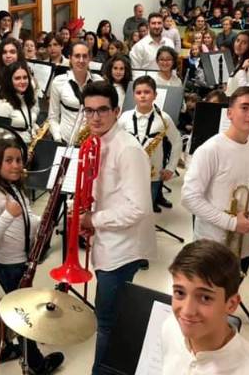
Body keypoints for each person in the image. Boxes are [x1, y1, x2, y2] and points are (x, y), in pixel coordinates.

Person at [77, 81, 154, 374]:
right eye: (89, 111)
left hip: (121, 250)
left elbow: (138, 208)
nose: (95, 117)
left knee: (107, 322)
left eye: (102, 110)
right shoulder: (99, 142)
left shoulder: (128, 150)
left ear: (117, 111)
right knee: (110, 318)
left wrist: (93, 220)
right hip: (107, 241)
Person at [0, 137, 65, 374]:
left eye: (18, 159)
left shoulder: (15, 187)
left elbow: (27, 218)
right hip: (9, 265)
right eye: (9, 161)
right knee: (23, 314)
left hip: (22, 260)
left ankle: (10, 346)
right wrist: (7, 215)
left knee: (16, 309)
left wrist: (45, 224)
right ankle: (35, 364)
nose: (16, 165)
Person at [182, 86, 249, 273]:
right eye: (245, 107)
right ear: (230, 113)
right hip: (211, 244)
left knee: (232, 291)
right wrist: (232, 223)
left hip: (245, 243)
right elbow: (189, 198)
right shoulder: (210, 150)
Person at [161, 240, 249, 375]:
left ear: (231, 304)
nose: (187, 311)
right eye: (180, 293)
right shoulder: (170, 328)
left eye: (205, 298)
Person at [119, 75, 181, 213]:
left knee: (145, 211)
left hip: (153, 174)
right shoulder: (125, 117)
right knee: (127, 209)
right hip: (128, 172)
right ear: (133, 95)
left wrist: (171, 168)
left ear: (155, 95)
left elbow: (177, 142)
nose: (142, 96)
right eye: (138, 92)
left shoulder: (164, 118)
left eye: (147, 92)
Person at [48, 41, 103, 143]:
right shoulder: (58, 82)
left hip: (93, 144)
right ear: (70, 58)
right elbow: (53, 117)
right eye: (77, 56)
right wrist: (58, 139)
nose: (81, 60)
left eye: (85, 56)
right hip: (65, 142)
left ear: (90, 58)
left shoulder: (99, 82)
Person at [0, 62, 39, 143]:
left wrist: (36, 129)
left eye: (25, 77)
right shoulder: (3, 105)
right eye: (17, 78)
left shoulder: (27, 98)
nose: (23, 81)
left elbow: (28, 123)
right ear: (9, 81)